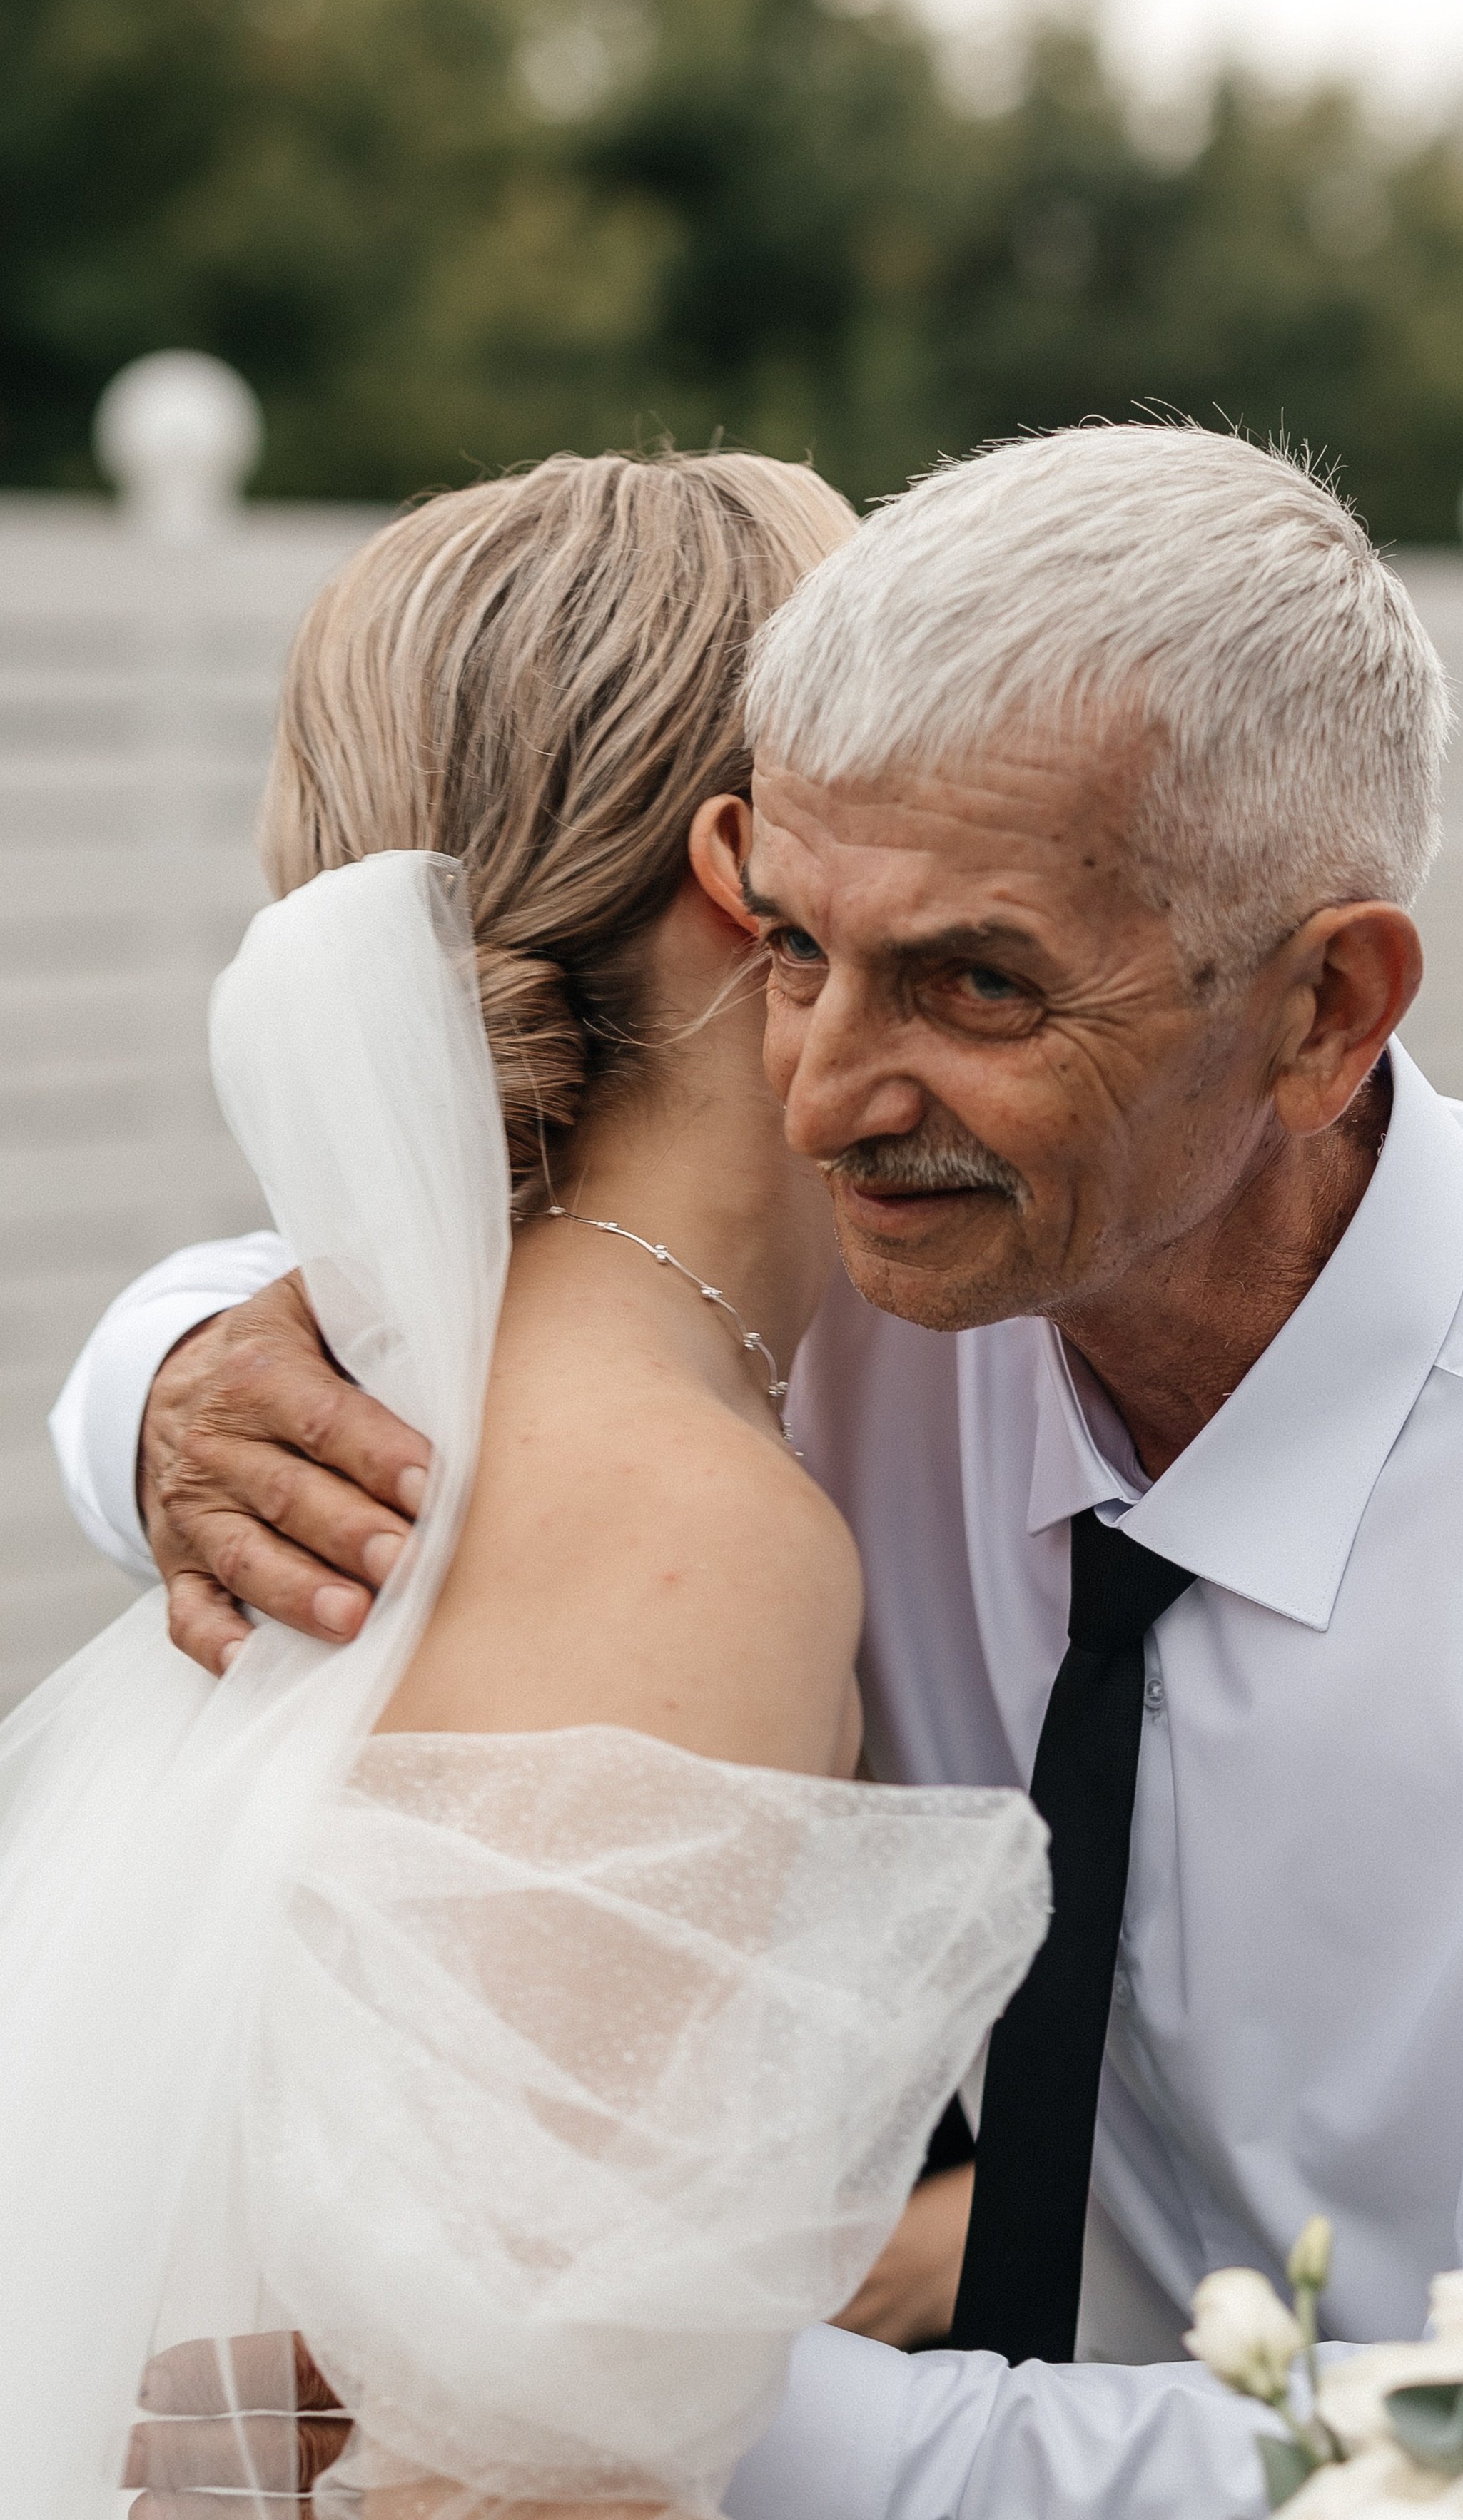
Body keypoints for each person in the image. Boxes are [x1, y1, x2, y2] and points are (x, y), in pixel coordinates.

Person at [57, 423, 1463, 2520]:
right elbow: (515, 1290)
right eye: (795, 945)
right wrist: (161, 1375)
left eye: (977, 982)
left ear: (1326, 1006)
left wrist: (607, 2405)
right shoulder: (897, 1284)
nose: (818, 1095)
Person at [1, 448, 1051, 2519]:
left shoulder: (474, 1376)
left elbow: (531, 2293)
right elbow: (501, 2472)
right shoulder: (677, 1517)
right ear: (749, 869)